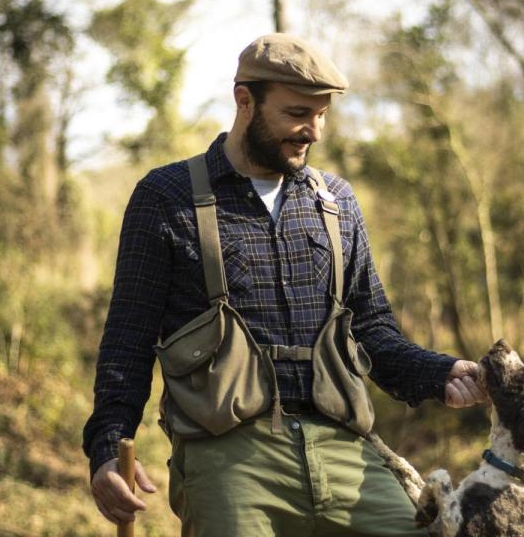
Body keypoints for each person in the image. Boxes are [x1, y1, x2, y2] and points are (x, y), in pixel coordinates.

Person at [83, 33, 487, 536]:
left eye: (321, 115)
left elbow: (375, 332)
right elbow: (128, 340)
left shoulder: (336, 202)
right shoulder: (166, 198)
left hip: (343, 450)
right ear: (244, 101)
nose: (313, 131)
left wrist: (441, 373)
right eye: (298, 113)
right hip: (229, 456)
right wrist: (107, 446)